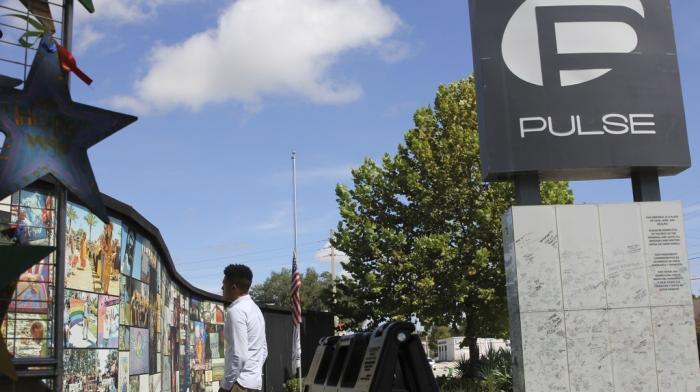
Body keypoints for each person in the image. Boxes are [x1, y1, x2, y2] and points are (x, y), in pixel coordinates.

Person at [220, 264, 267, 392]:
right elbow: (264, 351)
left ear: (233, 286)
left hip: (239, 385)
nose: (222, 287)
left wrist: (227, 386)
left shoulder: (236, 311)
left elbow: (239, 355)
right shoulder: (256, 310)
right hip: (254, 384)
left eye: (224, 283)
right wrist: (253, 373)